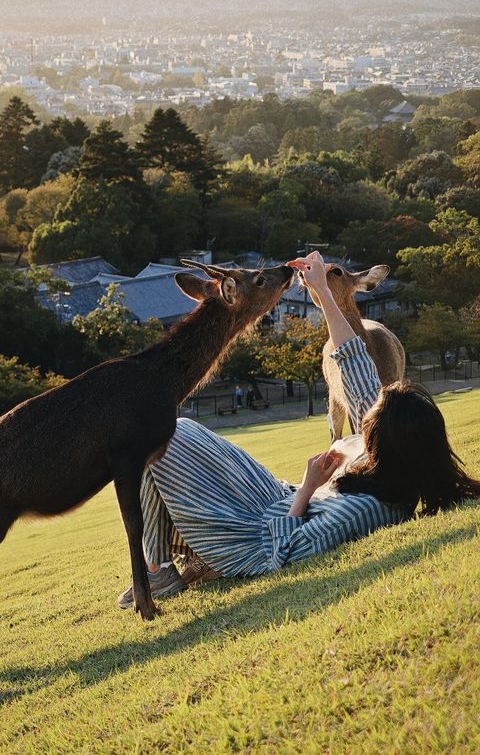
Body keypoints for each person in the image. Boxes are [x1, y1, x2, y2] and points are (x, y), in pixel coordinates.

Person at [118, 252, 480, 607]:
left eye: (369, 420)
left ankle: (158, 569)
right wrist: (322, 289)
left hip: (251, 538)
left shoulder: (368, 509)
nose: (364, 417)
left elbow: (285, 553)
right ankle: (175, 557)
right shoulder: (384, 459)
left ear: (386, 440)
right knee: (173, 427)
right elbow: (354, 361)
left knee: (152, 436)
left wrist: (308, 488)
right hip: (273, 497)